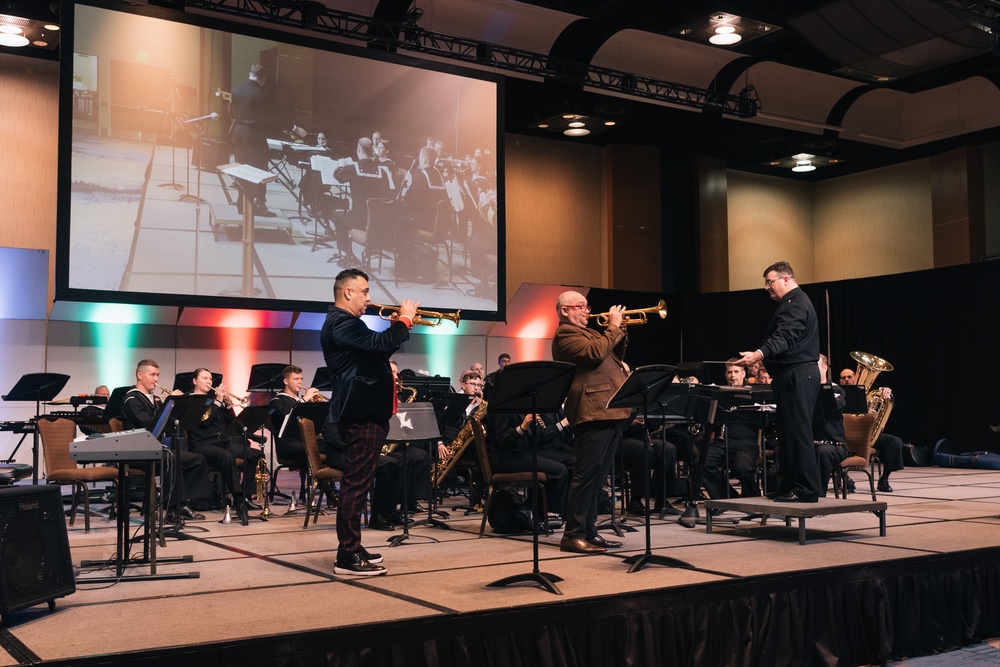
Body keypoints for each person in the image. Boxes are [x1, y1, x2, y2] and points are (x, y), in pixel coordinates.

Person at [320, 268, 415, 575]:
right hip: (360, 414)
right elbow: (378, 345)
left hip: (366, 412)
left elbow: (376, 348)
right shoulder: (341, 322)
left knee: (359, 484)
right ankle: (346, 556)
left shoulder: (348, 324)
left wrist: (395, 328)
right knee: (356, 485)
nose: (369, 298)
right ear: (348, 292)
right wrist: (404, 320)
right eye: (364, 291)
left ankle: (352, 545)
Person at [551, 291, 632, 554]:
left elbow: (613, 356)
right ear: (565, 310)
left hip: (610, 407)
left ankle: (589, 531)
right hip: (591, 409)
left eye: (587, 307)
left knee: (599, 476)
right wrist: (613, 326)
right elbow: (595, 353)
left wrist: (621, 331)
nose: (587, 311)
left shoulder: (590, 332)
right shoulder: (565, 334)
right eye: (581, 307)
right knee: (586, 475)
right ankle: (572, 534)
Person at [738, 261, 821, 503]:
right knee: (787, 433)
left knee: (797, 433)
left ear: (786, 279)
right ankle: (787, 485)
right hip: (792, 376)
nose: (766, 287)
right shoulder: (792, 303)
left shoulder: (795, 304)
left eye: (770, 281)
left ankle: (805, 488)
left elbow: (785, 336)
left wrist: (759, 354)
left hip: (798, 375)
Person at [120, 359, 209, 523]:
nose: (156, 379)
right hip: (136, 452)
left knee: (197, 459)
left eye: (158, 375)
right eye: (152, 375)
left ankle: (185, 501)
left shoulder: (154, 399)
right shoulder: (131, 399)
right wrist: (168, 404)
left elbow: (167, 426)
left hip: (154, 450)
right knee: (171, 459)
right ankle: (174, 508)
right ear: (140, 375)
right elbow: (149, 425)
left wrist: (179, 408)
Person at [365, 361, 432, 530]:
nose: (396, 377)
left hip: (390, 443)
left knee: (413, 456)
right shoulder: (373, 395)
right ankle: (380, 514)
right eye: (392, 372)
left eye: (396, 373)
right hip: (373, 445)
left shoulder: (396, 396)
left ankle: (401, 506)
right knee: (391, 464)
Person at [186, 368, 265, 511]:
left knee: (256, 454)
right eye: (204, 378)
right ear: (195, 381)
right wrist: (217, 402)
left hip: (221, 442)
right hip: (201, 444)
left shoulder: (214, 400)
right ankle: (238, 498)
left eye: (210, 379)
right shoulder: (191, 399)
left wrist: (227, 405)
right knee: (226, 456)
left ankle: (247, 496)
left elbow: (232, 423)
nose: (209, 381)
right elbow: (205, 421)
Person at [328, 136, 395, 266]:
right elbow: (388, 195)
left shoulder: (354, 168)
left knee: (336, 214)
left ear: (359, 149)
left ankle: (346, 254)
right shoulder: (383, 172)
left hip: (358, 220)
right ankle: (368, 251)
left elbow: (338, 176)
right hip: (377, 223)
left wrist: (340, 166)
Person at [700, 360, 760, 500]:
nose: (732, 376)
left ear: (743, 373)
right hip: (723, 442)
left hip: (746, 443)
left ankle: (751, 495)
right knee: (701, 463)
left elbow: (762, 425)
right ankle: (727, 497)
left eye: (736, 372)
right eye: (729, 372)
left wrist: (759, 447)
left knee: (742, 465)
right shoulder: (719, 395)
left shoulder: (754, 394)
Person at [837, 370, 905, 492]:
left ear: (855, 377)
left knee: (894, 442)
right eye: (843, 378)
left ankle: (884, 479)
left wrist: (888, 396)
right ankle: (844, 477)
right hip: (844, 435)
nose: (846, 380)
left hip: (867, 435)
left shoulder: (867, 394)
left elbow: (889, 405)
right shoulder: (837, 394)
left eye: (849, 377)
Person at [268, 364, 323, 499]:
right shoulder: (277, 401)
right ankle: (326, 490)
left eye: (301, 378)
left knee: (330, 446)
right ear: (286, 381)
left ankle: (327, 486)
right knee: (310, 450)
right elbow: (287, 416)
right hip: (287, 445)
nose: (300, 382)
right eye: (296, 379)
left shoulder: (301, 401)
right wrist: (304, 400)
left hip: (304, 442)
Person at [229, 64, 276, 217]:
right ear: (262, 79)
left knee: (241, 168)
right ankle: (258, 204)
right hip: (254, 135)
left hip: (238, 132)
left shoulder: (236, 90)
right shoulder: (262, 94)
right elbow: (268, 119)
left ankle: (241, 204)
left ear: (250, 74)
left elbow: (231, 112)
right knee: (260, 170)